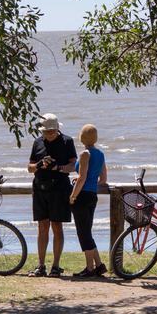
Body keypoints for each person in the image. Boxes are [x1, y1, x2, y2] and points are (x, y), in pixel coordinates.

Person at [27, 113, 77, 277]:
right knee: (42, 227)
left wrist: (58, 168)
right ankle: (41, 266)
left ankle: (55, 266)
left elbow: (73, 166)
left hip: (59, 189)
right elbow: (30, 167)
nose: (49, 134)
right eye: (46, 131)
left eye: (52, 131)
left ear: (57, 129)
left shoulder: (67, 141)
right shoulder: (37, 142)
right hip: (40, 188)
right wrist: (40, 164)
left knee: (57, 226)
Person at [70, 124, 108, 277]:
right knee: (87, 231)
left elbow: (82, 178)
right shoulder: (100, 154)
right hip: (92, 195)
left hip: (82, 196)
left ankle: (89, 268)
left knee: (83, 232)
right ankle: (99, 265)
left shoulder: (85, 154)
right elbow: (103, 179)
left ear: (82, 137)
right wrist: (91, 184)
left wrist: (73, 196)